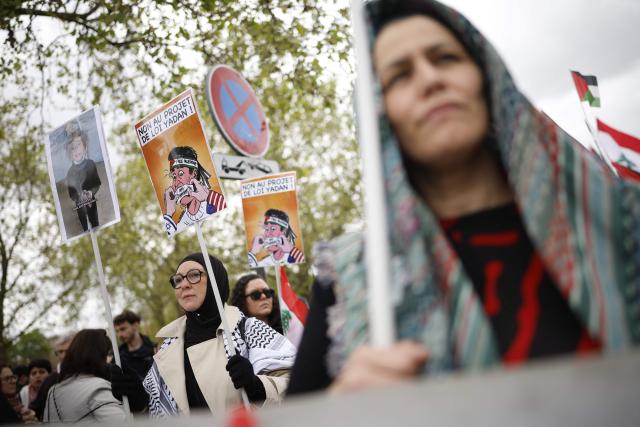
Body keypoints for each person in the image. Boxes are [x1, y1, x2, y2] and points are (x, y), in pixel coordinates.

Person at [287, 0, 640, 395]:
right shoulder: (351, 281)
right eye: (400, 75)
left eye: (446, 58)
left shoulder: (620, 220)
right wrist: (340, 412)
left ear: (486, 77)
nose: (429, 79)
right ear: (378, 113)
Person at [134, 253, 295, 417]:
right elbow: (155, 409)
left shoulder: (249, 329)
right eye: (178, 279)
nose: (184, 284)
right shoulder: (167, 348)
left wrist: (258, 386)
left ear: (215, 280)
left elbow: (297, 383)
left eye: (194, 275)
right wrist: (138, 402)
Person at [43, 329, 126, 422]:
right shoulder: (98, 388)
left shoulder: (53, 391)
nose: (110, 360)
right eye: (107, 354)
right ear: (99, 355)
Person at [163, 146, 226, 236]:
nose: (176, 182)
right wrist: (169, 212)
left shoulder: (217, 201)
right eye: (173, 176)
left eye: (181, 173)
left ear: (194, 174)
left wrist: (207, 198)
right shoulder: (182, 222)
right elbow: (170, 234)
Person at [65, 125, 101, 231]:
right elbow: (72, 194)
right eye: (72, 148)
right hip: (80, 205)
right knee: (84, 224)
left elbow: (97, 183)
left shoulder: (91, 164)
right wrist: (79, 196)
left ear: (85, 147)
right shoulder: (70, 172)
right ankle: (86, 229)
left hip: (91, 200)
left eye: (78, 145)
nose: (76, 149)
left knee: (94, 221)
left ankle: (96, 228)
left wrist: (91, 192)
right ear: (69, 154)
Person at [31, 334, 74, 420]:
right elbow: (36, 408)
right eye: (61, 352)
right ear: (56, 354)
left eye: (68, 351)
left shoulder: (84, 374)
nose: (64, 355)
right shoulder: (49, 380)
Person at [113, 310, 155, 380]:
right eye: (117, 331)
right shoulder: (117, 357)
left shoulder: (155, 350)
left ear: (135, 325)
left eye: (123, 329)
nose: (119, 335)